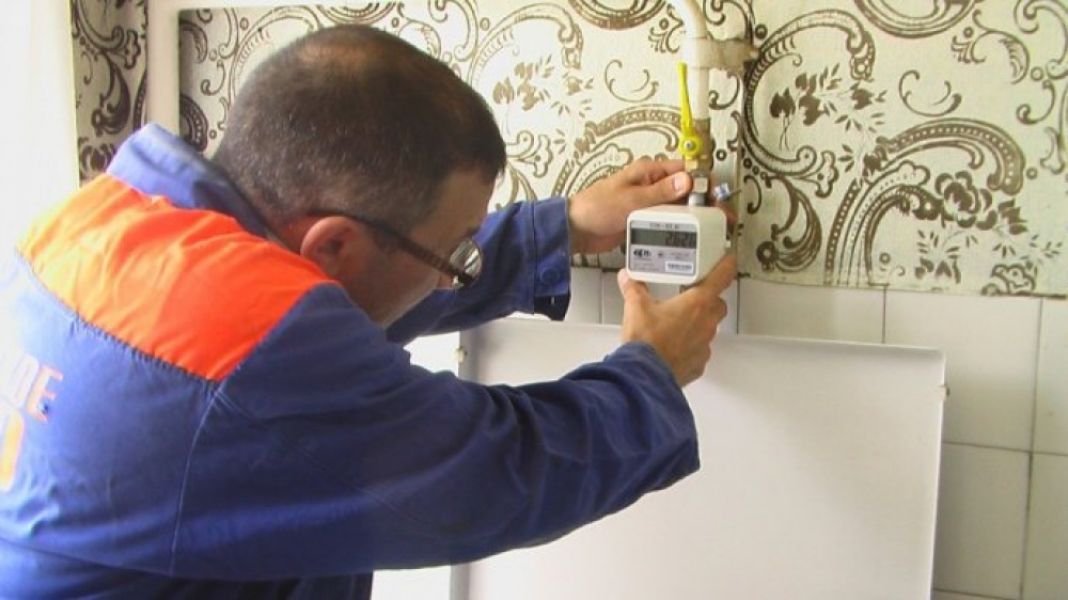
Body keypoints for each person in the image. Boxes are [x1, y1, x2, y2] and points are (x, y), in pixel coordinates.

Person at [0, 25, 735, 598]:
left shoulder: (105, 221)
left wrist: (562, 228)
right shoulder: (253, 354)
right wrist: (651, 372)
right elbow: (494, 472)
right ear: (332, 245)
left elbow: (327, 310)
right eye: (454, 252)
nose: (451, 275)